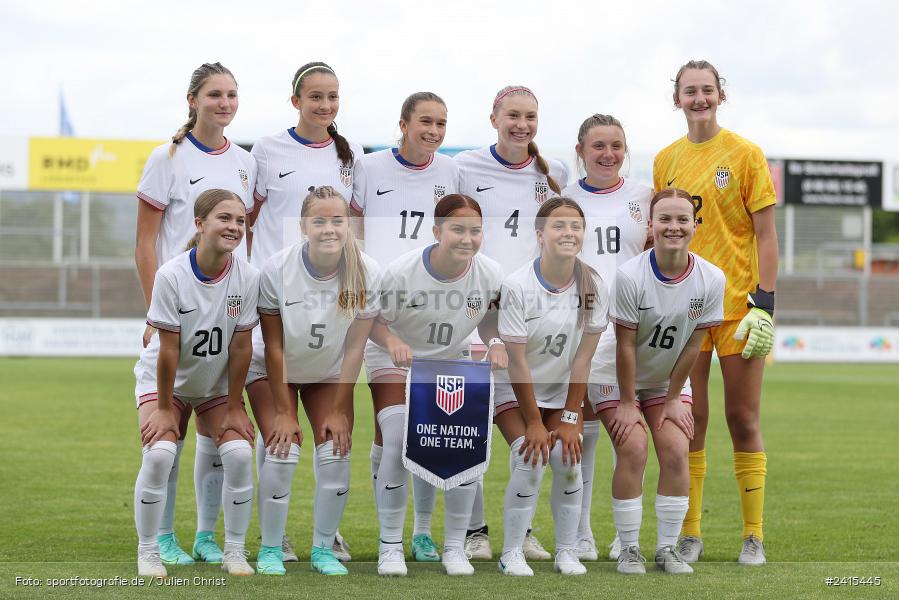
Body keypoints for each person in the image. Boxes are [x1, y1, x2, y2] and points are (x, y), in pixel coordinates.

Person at [653, 60, 778, 566]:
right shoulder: (666, 160)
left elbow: (766, 234)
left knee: (742, 417)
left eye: (707, 90)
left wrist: (764, 303)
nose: (699, 98)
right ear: (677, 99)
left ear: (720, 96)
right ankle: (691, 533)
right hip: (686, 309)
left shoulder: (746, 154)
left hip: (737, 308)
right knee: (691, 419)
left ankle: (753, 535)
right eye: (690, 91)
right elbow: (662, 231)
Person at [134, 62, 256, 567]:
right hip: (176, 303)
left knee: (223, 436)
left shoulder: (247, 161)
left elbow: (243, 230)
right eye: (214, 95)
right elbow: (145, 240)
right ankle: (160, 539)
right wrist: (152, 311)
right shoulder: (167, 157)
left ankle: (210, 536)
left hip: (226, 307)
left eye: (231, 94)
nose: (224, 103)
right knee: (168, 438)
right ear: (193, 100)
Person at [247, 60, 362, 563]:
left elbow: (348, 224)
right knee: (279, 435)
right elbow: (245, 219)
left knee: (336, 437)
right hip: (279, 300)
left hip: (326, 313)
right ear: (295, 101)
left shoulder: (349, 153)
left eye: (333, 96)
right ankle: (275, 537)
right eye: (315, 96)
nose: (325, 105)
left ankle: (325, 534)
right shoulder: (267, 150)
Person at [455, 84, 569, 560]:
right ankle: (474, 532)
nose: (521, 125)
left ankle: (521, 534)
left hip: (527, 315)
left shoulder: (556, 172)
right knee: (469, 428)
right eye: (513, 116)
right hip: (473, 311)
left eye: (530, 117)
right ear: (494, 118)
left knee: (529, 425)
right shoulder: (464, 166)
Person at [365, 194, 505, 576]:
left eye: (475, 231)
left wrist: (493, 342)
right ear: (436, 230)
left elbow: (488, 318)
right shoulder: (402, 271)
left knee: (463, 444)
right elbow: (373, 321)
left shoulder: (490, 272)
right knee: (397, 441)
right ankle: (390, 546)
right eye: (458, 229)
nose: (467, 239)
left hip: (451, 362)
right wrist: (393, 341)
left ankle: (454, 547)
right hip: (395, 357)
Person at [350, 91, 460, 563]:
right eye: (425, 122)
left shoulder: (452, 172)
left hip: (439, 321)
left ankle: (420, 533)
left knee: (430, 433)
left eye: (441, 124)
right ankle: (388, 539)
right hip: (383, 318)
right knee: (392, 436)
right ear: (403, 123)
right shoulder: (369, 168)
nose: (433, 132)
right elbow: (351, 229)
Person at [249, 186, 380, 576]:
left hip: (327, 372)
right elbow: (274, 347)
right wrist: (285, 413)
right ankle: (271, 547)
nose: (329, 228)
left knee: (337, 450)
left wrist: (341, 409)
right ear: (304, 225)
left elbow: (355, 349)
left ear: (349, 224)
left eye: (337, 220)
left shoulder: (367, 271)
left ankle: (324, 547)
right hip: (274, 370)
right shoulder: (277, 268)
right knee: (281, 447)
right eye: (319, 221)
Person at [605, 188, 725, 575]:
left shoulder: (711, 278)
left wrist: (674, 398)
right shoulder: (630, 275)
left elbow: (694, 342)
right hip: (615, 377)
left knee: (676, 449)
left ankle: (667, 549)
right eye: (665, 220)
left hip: (665, 383)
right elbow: (625, 345)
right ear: (650, 225)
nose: (674, 227)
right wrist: (627, 402)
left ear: (694, 224)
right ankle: (628, 550)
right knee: (634, 447)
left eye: (682, 219)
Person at [495, 197, 608, 577]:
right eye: (558, 226)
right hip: (515, 391)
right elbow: (517, 361)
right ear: (540, 235)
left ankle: (567, 551)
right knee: (530, 459)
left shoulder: (593, 285)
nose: (568, 232)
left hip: (561, 393)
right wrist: (533, 422)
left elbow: (582, 359)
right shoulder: (517, 285)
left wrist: (573, 417)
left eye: (576, 226)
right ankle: (511, 552)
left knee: (567, 460)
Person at [563, 114, 653, 561]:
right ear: (580, 151)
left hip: (630, 331)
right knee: (583, 433)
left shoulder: (643, 197)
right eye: (598, 145)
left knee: (628, 432)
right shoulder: (566, 198)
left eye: (616, 145)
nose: (608, 154)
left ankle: (625, 532)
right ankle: (581, 533)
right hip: (579, 328)